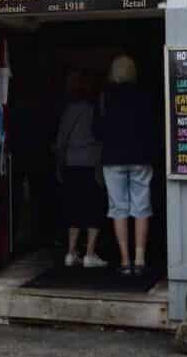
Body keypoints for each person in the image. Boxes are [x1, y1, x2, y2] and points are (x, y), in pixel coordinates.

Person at [96, 54, 156, 276]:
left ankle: (124, 260)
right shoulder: (144, 96)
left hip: (113, 157)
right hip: (140, 156)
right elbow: (153, 126)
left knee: (118, 208)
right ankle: (140, 259)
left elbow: (97, 131)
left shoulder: (105, 97)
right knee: (141, 207)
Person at [54, 70, 108, 268]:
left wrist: (59, 166)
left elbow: (60, 141)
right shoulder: (96, 109)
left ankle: (70, 253)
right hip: (92, 164)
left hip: (71, 163)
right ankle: (89, 254)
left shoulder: (69, 110)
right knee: (93, 207)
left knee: (73, 207)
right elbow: (102, 137)